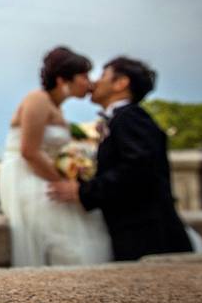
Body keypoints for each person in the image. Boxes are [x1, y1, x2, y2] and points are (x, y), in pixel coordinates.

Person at [48, 57, 194, 261]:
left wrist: (84, 191)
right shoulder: (124, 119)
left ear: (121, 83)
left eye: (102, 76)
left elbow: (137, 170)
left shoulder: (130, 118)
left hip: (147, 237)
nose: (95, 83)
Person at [0, 47, 113, 266]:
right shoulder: (37, 99)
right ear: (63, 79)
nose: (89, 83)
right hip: (25, 176)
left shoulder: (56, 107)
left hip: (41, 174)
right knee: (73, 241)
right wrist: (62, 182)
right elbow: (29, 152)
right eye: (84, 76)